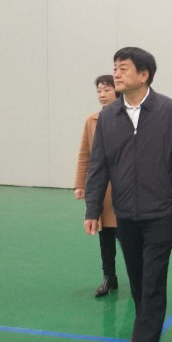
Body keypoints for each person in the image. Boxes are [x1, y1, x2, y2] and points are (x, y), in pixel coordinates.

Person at [85, 47, 172, 342]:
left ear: (144, 75)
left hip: (161, 213)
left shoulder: (170, 111)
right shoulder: (108, 117)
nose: (116, 74)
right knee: (137, 277)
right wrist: (93, 209)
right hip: (125, 214)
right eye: (115, 68)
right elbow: (98, 166)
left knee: (153, 278)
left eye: (123, 69)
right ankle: (144, 326)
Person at [74, 75, 121, 297]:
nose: (102, 95)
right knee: (105, 237)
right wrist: (80, 184)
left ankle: (139, 278)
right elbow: (85, 154)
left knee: (128, 238)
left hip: (125, 189)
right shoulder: (92, 121)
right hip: (102, 191)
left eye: (107, 90)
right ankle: (109, 277)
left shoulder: (128, 118)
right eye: (99, 91)